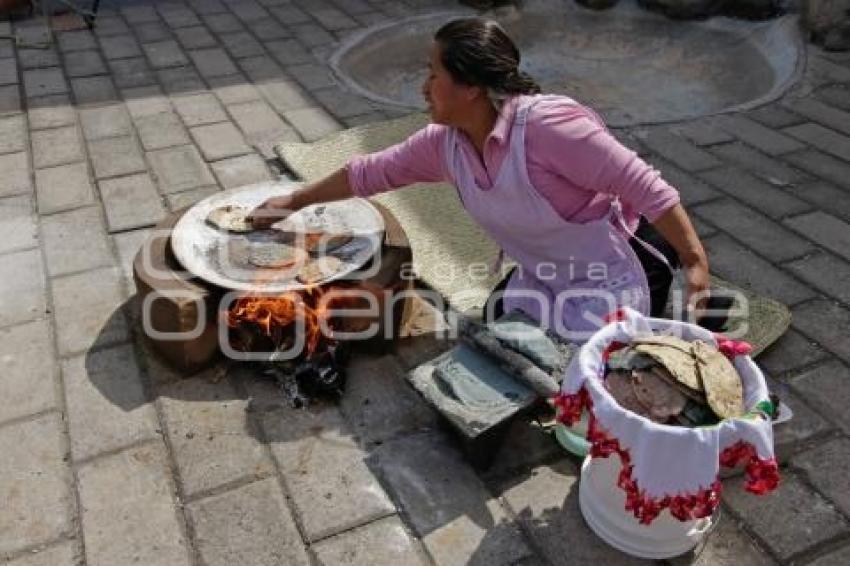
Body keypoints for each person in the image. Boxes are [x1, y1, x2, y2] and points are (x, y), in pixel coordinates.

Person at [250, 18, 711, 339]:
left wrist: (694, 261)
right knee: (497, 334)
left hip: (618, 264)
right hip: (548, 271)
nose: (423, 87)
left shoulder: (548, 128)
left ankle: (670, 308)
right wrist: (293, 202)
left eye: (433, 75)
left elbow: (648, 187)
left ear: (470, 87)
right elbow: (369, 171)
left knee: (581, 370)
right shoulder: (445, 143)